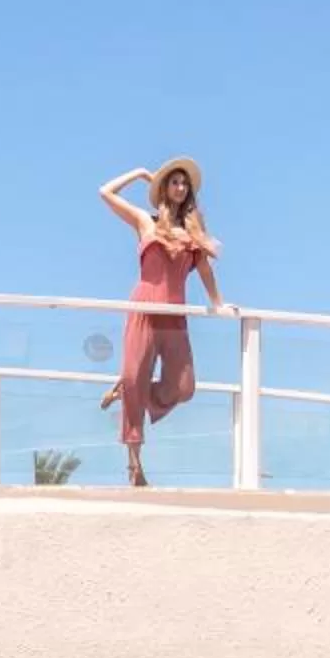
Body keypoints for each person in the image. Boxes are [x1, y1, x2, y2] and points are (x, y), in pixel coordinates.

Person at [97, 157, 225, 486]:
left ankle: (129, 387)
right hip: (143, 307)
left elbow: (206, 272)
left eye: (185, 184)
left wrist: (219, 304)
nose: (181, 188)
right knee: (135, 377)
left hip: (174, 315)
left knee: (183, 388)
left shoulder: (193, 235)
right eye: (175, 182)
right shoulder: (146, 222)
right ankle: (135, 464)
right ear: (164, 188)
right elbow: (105, 191)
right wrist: (140, 173)